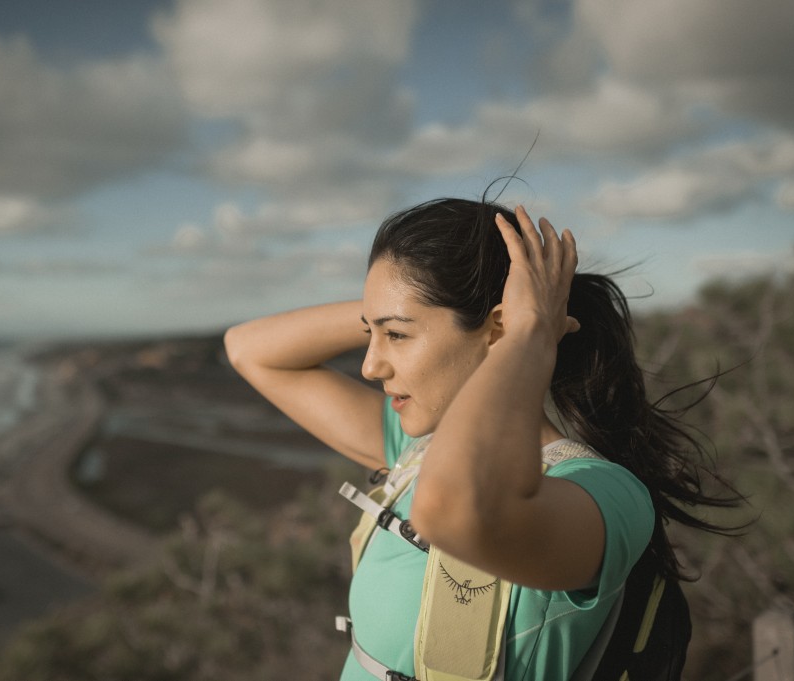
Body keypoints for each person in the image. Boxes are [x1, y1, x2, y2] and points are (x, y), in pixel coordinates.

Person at [224, 197, 737, 680]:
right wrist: (392, 304)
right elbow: (249, 349)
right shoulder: (420, 450)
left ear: (497, 330)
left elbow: (454, 508)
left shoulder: (606, 496)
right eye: (369, 333)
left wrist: (530, 327)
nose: (369, 364)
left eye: (397, 336)